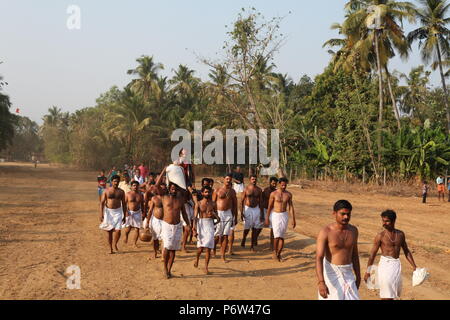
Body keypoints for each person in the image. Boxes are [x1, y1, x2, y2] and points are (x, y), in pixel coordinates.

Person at [364, 210, 418, 300]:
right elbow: (372, 254)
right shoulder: (380, 236)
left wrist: (414, 266)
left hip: (396, 265)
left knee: (393, 294)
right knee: (386, 295)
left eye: (387, 221)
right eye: (383, 221)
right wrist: (368, 271)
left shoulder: (400, 234)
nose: (384, 224)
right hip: (385, 265)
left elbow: (406, 251)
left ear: (393, 221)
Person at [316, 200, 361, 300]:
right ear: (334, 213)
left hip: (348, 274)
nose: (346, 217)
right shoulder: (326, 231)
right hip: (331, 273)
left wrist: (358, 276)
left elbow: (355, 255)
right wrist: (321, 282)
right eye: (343, 214)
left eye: (348, 214)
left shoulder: (353, 231)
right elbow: (319, 258)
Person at [154, 167, 190, 279]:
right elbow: (156, 185)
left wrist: (188, 224)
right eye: (172, 188)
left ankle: (169, 270)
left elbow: (184, 213)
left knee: (174, 249)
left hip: (178, 225)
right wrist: (164, 170)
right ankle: (165, 269)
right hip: (167, 225)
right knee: (167, 247)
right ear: (169, 189)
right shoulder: (164, 197)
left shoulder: (180, 199)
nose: (174, 190)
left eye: (175, 189)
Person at [265, 178, 296, 261]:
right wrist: (267, 218)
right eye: (282, 185)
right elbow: (269, 207)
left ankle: (279, 253)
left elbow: (290, 207)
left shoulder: (288, 194)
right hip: (275, 215)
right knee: (276, 236)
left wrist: (293, 219)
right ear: (279, 184)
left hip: (284, 215)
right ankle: (275, 252)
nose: (284, 186)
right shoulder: (273, 194)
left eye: (285, 185)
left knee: (282, 236)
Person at [193, 186, 220, 275]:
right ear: (202, 193)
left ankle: (206, 267)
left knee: (208, 248)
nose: (207, 194)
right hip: (201, 225)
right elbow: (195, 217)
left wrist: (213, 215)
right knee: (200, 248)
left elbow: (218, 218)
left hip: (210, 225)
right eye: (205, 192)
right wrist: (194, 228)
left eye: (208, 192)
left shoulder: (213, 204)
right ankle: (197, 257)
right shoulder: (199, 204)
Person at [212, 173, 238, 262]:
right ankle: (214, 248)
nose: (228, 180)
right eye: (227, 179)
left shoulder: (232, 191)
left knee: (225, 235)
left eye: (230, 179)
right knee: (217, 235)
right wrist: (213, 215)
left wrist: (235, 216)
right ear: (223, 179)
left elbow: (235, 204)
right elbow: (213, 203)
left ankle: (222, 256)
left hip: (228, 214)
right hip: (218, 213)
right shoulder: (217, 190)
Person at [99, 175, 126, 254]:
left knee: (118, 231)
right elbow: (102, 203)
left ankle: (115, 244)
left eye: (117, 181)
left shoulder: (121, 192)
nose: (116, 183)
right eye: (114, 181)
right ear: (111, 182)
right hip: (108, 212)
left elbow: (124, 204)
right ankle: (110, 248)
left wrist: (124, 215)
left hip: (118, 212)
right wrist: (101, 214)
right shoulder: (106, 191)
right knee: (109, 231)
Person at [241, 175, 264, 251]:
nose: (254, 180)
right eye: (252, 179)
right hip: (248, 208)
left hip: (256, 209)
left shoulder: (259, 190)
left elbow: (261, 201)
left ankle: (252, 245)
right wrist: (241, 212)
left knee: (255, 228)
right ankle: (244, 239)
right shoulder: (246, 189)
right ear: (250, 180)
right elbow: (241, 200)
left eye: (255, 179)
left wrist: (262, 213)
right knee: (247, 227)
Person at [146, 182, 167, 259]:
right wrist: (147, 222)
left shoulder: (168, 198)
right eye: (161, 188)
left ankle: (162, 255)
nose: (162, 190)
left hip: (165, 221)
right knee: (155, 239)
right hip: (155, 220)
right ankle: (155, 252)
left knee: (164, 239)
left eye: (164, 188)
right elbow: (150, 210)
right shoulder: (154, 198)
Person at [123, 181, 145, 247]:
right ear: (131, 187)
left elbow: (142, 204)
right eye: (134, 185)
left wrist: (143, 213)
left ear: (138, 187)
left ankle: (134, 243)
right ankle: (126, 235)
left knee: (137, 228)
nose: (135, 187)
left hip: (138, 212)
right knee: (128, 228)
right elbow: (124, 204)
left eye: (136, 186)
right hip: (129, 212)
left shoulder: (141, 195)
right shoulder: (128, 194)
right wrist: (126, 211)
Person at [262, 177, 278, 250]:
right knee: (259, 227)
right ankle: (254, 240)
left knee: (273, 227)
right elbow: (261, 201)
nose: (274, 185)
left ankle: (272, 245)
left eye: (275, 184)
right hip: (265, 209)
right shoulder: (266, 190)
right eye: (273, 183)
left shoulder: (276, 192)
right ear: (270, 183)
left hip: (272, 211)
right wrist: (261, 212)